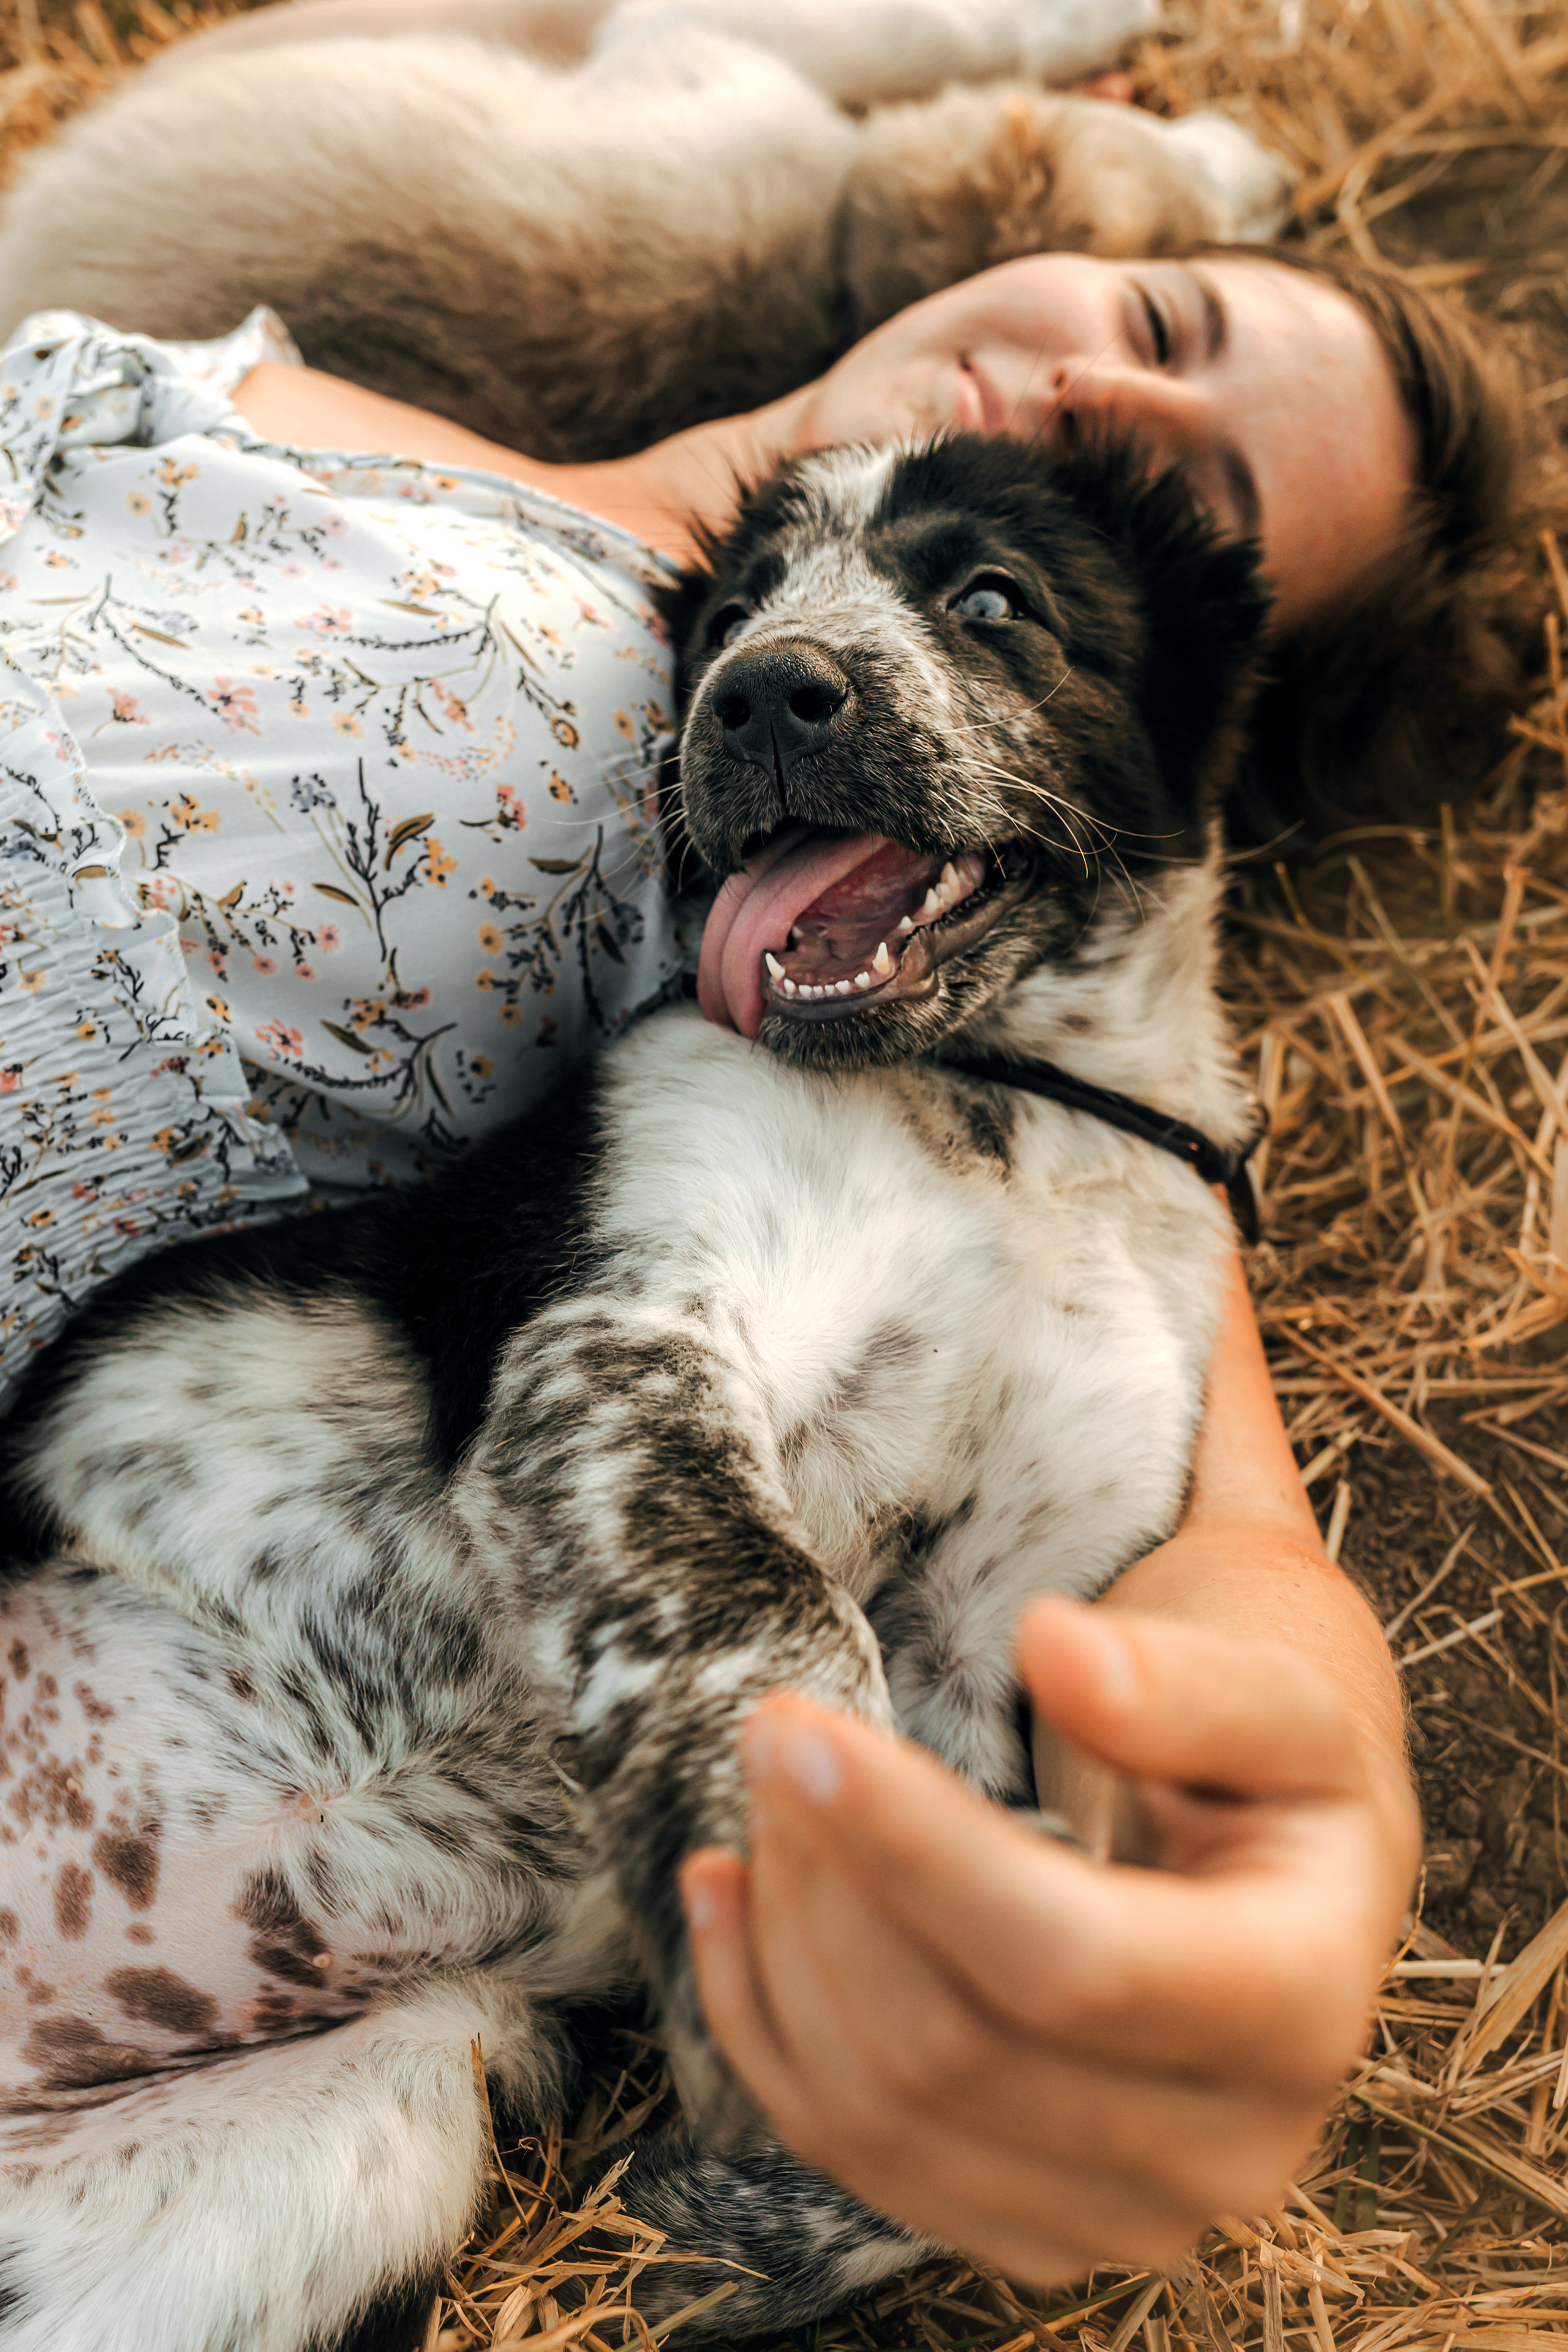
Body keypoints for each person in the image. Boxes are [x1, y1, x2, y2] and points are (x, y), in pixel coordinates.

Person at [0, 236, 1507, 2278]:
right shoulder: (263, 387)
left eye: (1015, 587)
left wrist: (1289, 1865)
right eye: (1155, 320)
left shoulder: (894, 1090)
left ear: (1189, 702)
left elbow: (1216, 1578)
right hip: (117, 1637)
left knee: (360, 2175)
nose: (1087, 404)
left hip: (236, 2011)